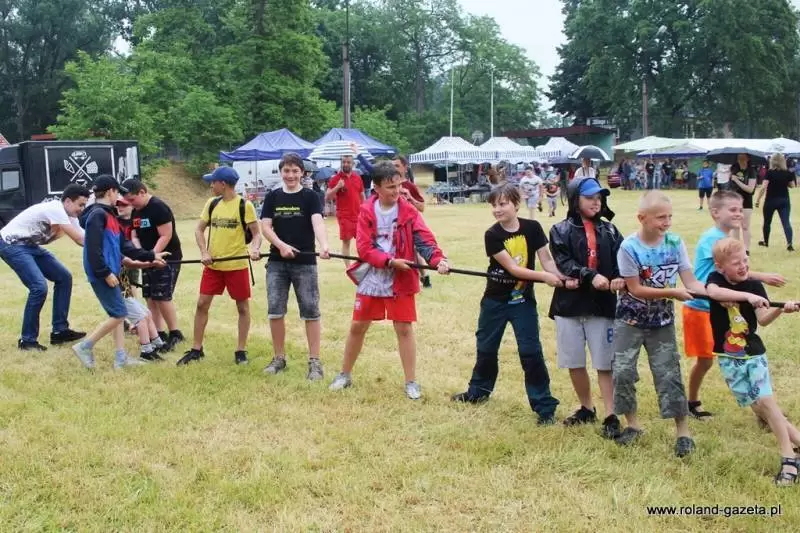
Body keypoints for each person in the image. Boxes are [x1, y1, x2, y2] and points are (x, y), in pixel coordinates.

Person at [328, 162, 450, 399]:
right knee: (357, 326)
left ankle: (411, 382)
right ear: (376, 188)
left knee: (403, 328)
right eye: (391, 187)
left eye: (399, 185)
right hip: (373, 276)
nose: (397, 191)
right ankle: (344, 375)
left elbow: (424, 240)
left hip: (400, 279)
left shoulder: (408, 211)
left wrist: (438, 260)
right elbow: (364, 247)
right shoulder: (366, 210)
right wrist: (390, 261)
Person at [450, 184, 565, 424]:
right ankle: (478, 391)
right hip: (495, 301)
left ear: (516, 204)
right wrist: (544, 277)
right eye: (493, 205)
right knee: (486, 347)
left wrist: (561, 277)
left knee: (531, 352)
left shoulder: (533, 228)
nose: (497, 209)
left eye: (502, 204)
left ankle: (544, 406)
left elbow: (547, 260)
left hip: (523, 301)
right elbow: (513, 269)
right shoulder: (492, 235)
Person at [611, 191, 705, 457]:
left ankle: (683, 432)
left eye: (670, 216)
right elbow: (636, 289)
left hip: (662, 322)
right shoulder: (629, 247)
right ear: (642, 218)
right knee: (623, 372)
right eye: (661, 217)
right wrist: (672, 292)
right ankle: (632, 425)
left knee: (669, 374)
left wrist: (717, 294)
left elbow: (691, 282)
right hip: (629, 320)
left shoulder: (675, 242)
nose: (667, 222)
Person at [705, 238, 800, 486]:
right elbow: (713, 293)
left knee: (767, 403)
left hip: (753, 354)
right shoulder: (716, 280)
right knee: (759, 407)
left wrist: (781, 309)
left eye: (746, 260)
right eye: (736, 263)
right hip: (728, 357)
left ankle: (789, 459)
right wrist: (747, 297)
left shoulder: (755, 284)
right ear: (720, 266)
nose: (744, 266)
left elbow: (764, 319)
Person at [683, 190, 785, 419]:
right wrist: (762, 276)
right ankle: (692, 402)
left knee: (735, 356)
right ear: (715, 212)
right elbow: (723, 273)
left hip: (722, 309)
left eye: (740, 209)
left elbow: (736, 272)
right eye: (732, 209)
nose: (738, 213)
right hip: (701, 308)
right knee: (706, 360)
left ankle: (763, 410)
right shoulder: (713, 239)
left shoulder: (727, 238)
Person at [548, 177, 625, 437]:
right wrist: (589, 275)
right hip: (569, 306)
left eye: (599, 198)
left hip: (602, 306)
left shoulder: (610, 231)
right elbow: (563, 261)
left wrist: (619, 277)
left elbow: (621, 260)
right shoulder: (559, 230)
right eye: (590, 197)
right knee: (574, 360)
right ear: (574, 200)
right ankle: (586, 407)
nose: (596, 202)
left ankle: (611, 414)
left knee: (605, 362)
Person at [71, 176, 168, 370]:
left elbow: (126, 247)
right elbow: (93, 249)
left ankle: (120, 358)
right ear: (110, 192)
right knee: (119, 314)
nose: (119, 197)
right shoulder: (98, 215)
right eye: (117, 192)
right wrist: (105, 273)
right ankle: (85, 346)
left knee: (117, 314)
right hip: (103, 274)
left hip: (110, 272)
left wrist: (151, 255)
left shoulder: (109, 215)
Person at [176, 166, 262, 366]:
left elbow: (256, 233)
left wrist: (255, 249)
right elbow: (199, 230)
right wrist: (204, 252)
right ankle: (196, 349)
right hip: (213, 266)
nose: (210, 186)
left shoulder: (245, 205)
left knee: (242, 307)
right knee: (201, 304)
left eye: (213, 182)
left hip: (237, 265)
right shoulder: (212, 203)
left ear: (223, 184)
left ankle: (240, 351)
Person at [260, 153, 331, 380]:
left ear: (302, 173)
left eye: (295, 171)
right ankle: (279, 358)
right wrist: (281, 246)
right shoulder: (272, 197)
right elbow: (265, 227)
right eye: (286, 171)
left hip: (305, 263)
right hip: (277, 263)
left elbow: (317, 222)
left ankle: (315, 362)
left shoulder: (311, 197)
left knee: (311, 311)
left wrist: (324, 245)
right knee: (275, 311)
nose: (290, 175)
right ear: (281, 172)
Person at [0, 184, 90, 350]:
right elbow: (79, 240)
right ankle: (27, 340)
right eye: (80, 204)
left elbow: (86, 237)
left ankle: (60, 331)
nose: (82, 209)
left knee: (64, 277)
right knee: (38, 288)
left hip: (30, 245)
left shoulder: (71, 217)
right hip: (11, 244)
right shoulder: (56, 208)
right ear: (68, 201)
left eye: (85, 205)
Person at [120, 179, 185, 351]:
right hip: (147, 259)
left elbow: (166, 235)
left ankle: (175, 333)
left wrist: (152, 255)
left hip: (167, 258)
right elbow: (134, 236)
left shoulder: (158, 207)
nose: (131, 204)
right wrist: (142, 255)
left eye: (132, 199)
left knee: (162, 296)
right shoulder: (136, 211)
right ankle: (158, 332)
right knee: (150, 297)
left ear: (142, 192)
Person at [325, 153, 365, 267]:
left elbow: (362, 194)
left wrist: (365, 209)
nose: (346, 164)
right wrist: (337, 187)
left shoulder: (357, 177)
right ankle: (348, 267)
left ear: (353, 164)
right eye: (344, 162)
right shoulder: (335, 179)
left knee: (362, 241)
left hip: (358, 215)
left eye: (348, 162)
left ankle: (362, 264)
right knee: (346, 241)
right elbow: (327, 197)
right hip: (344, 215)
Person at [756, 153, 795, 251]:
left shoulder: (769, 173)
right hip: (784, 200)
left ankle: (766, 241)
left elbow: (763, 187)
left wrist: (758, 199)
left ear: (772, 161)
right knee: (786, 222)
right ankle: (789, 243)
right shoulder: (787, 172)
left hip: (770, 200)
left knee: (767, 222)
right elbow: (792, 185)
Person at [730, 154, 757, 254]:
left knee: (745, 226)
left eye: (743, 158)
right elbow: (730, 186)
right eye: (739, 158)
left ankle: (746, 249)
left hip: (746, 200)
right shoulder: (734, 170)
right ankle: (736, 248)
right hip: (734, 200)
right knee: (735, 226)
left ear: (748, 159)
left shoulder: (751, 171)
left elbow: (750, 189)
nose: (741, 160)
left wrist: (736, 180)